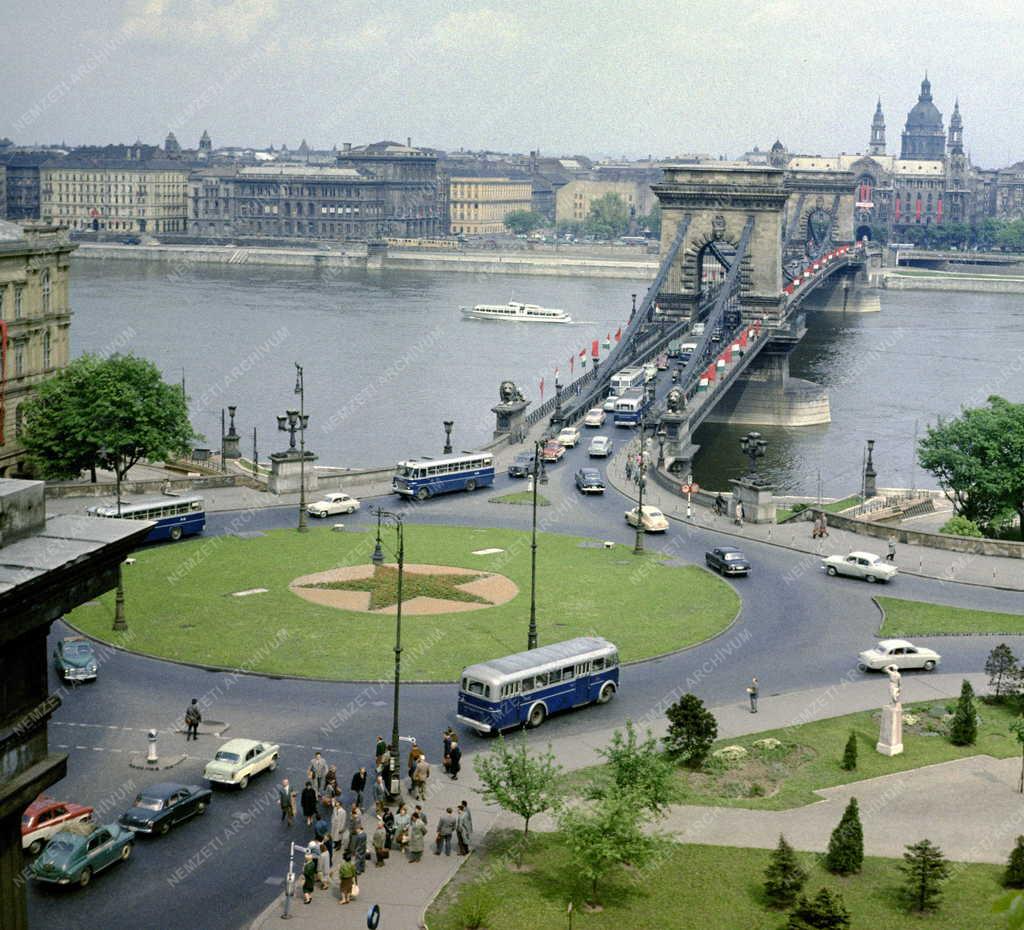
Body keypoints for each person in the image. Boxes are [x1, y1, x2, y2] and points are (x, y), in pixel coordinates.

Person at [329, 798, 347, 866]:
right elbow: (333, 815)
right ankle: (336, 844)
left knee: (338, 837)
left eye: (338, 804)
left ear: (340, 805)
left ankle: (338, 845)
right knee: (334, 835)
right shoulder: (334, 809)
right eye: (336, 804)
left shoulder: (343, 812)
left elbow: (343, 820)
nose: (336, 805)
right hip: (334, 824)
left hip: (339, 825)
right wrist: (332, 821)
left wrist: (342, 828)